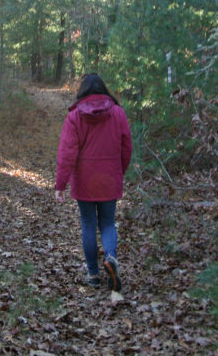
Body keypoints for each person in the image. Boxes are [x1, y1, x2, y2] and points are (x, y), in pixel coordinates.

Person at [55, 73, 132, 291]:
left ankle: (93, 274)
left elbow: (67, 153)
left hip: (84, 180)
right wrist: (120, 171)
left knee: (88, 224)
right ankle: (110, 258)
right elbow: (127, 148)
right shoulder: (118, 113)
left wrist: (60, 185)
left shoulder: (75, 116)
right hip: (109, 177)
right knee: (107, 223)